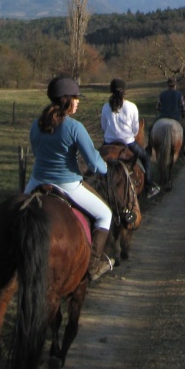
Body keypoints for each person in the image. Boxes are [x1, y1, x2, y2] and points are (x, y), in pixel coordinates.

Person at [25, 75, 114, 280]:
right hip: (68, 184)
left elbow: (37, 153)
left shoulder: (35, 125)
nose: (78, 101)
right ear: (66, 100)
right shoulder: (74, 127)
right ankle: (92, 264)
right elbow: (93, 163)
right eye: (75, 97)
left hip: (35, 183)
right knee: (104, 215)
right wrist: (104, 167)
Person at [100, 77, 161, 198]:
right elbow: (135, 129)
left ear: (111, 91)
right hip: (128, 142)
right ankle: (149, 186)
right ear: (125, 91)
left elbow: (103, 126)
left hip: (108, 142)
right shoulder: (131, 106)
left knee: (95, 162)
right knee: (146, 159)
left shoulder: (105, 107)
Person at [155, 76, 185, 157]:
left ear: (167, 85)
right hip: (175, 118)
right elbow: (183, 108)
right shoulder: (179, 94)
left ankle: (149, 148)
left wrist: (163, 110)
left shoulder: (162, 94)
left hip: (162, 117)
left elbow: (157, 107)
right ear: (175, 85)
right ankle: (181, 151)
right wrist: (183, 115)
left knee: (151, 129)